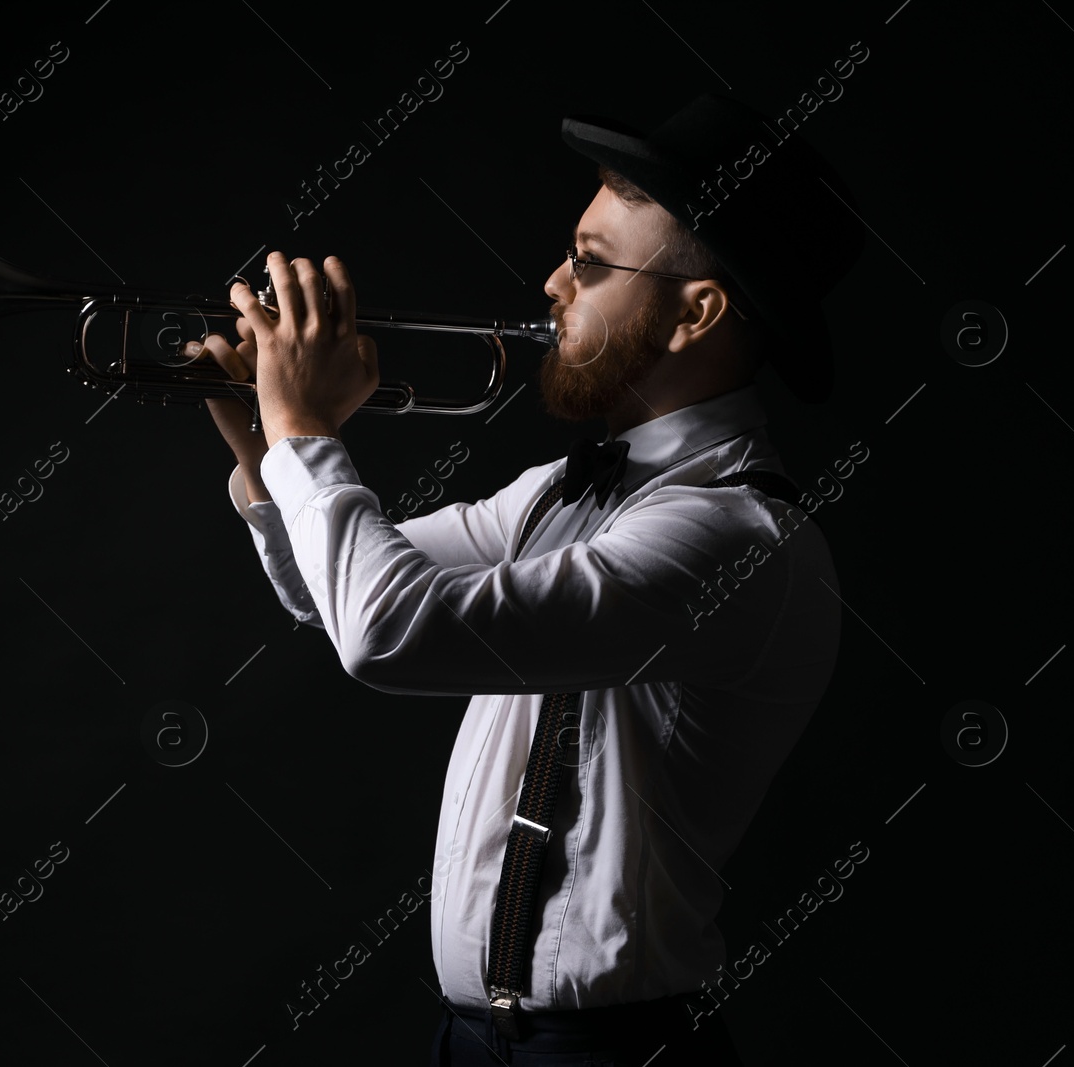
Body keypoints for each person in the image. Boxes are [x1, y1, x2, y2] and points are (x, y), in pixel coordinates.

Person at [193, 94, 866, 1066]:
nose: (551, 281)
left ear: (697, 312)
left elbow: (389, 633)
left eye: (590, 262)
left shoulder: (735, 538)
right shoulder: (564, 489)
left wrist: (307, 432)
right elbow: (323, 591)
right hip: (474, 1042)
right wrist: (263, 448)